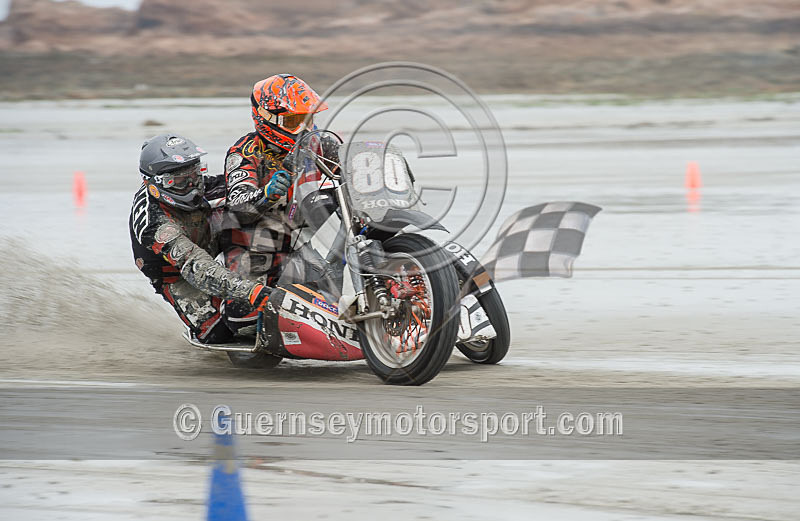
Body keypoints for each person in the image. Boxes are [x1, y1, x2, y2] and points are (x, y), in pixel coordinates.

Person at [220, 74, 338, 331]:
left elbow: (348, 169)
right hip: (257, 240)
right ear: (266, 119)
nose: (305, 129)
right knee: (243, 320)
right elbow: (237, 208)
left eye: (308, 119)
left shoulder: (321, 143)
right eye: (294, 121)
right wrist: (267, 194)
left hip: (305, 232)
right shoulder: (245, 152)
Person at [129, 133, 272, 344]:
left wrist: (268, 190)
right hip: (174, 271)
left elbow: (242, 187)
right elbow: (197, 267)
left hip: (204, 234)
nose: (193, 185)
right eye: (180, 180)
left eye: (195, 174)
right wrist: (251, 292)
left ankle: (274, 270)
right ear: (154, 183)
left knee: (249, 207)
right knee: (218, 333)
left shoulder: (203, 187)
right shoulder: (155, 225)